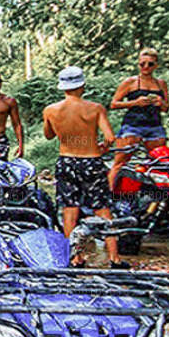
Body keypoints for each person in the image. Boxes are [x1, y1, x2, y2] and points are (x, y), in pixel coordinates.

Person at [42, 66, 122, 266]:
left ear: (62, 87)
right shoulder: (95, 108)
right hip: (91, 160)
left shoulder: (51, 110)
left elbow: (49, 135)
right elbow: (110, 137)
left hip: (67, 160)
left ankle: (75, 258)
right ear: (82, 86)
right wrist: (102, 147)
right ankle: (114, 258)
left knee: (70, 211)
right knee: (102, 209)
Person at [107, 48, 169, 191]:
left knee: (159, 163)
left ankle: (156, 197)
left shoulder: (161, 84)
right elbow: (114, 104)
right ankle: (109, 196)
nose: (146, 67)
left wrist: (161, 103)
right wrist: (135, 103)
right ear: (138, 64)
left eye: (150, 64)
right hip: (132, 125)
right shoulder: (130, 82)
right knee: (120, 162)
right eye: (142, 64)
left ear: (156, 65)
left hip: (154, 126)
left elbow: (166, 108)